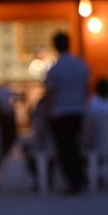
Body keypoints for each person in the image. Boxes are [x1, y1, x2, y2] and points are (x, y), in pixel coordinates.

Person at [44, 32, 89, 194]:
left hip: (61, 112)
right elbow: (85, 89)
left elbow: (50, 94)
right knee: (74, 146)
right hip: (78, 111)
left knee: (65, 148)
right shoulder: (81, 65)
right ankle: (79, 178)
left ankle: (74, 182)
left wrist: (46, 114)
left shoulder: (56, 69)